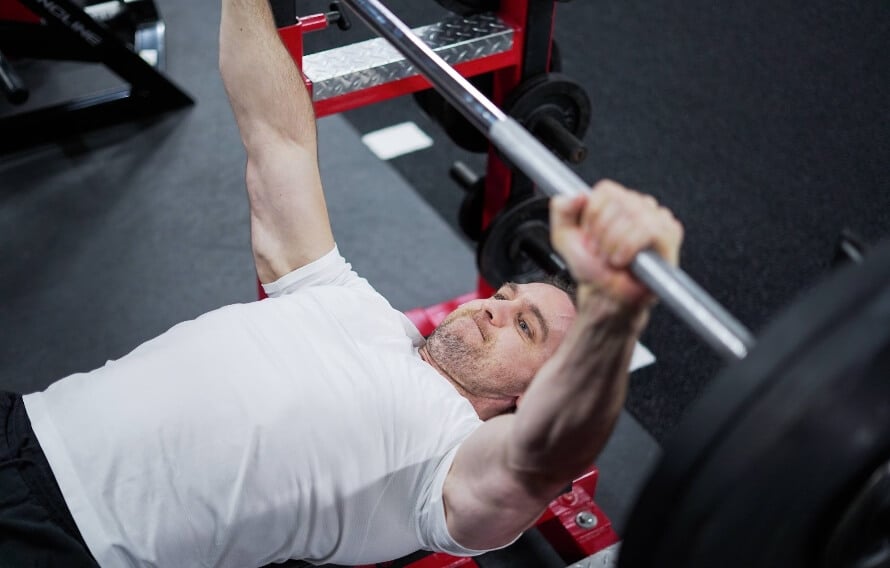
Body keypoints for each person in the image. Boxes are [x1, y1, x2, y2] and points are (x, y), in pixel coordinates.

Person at [0, 0, 683, 566]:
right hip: (25, 421)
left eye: (524, 327)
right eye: (505, 298)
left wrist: (616, 314)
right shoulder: (352, 300)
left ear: (533, 396)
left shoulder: (442, 471)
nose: (492, 308)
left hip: (65, 540)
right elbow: (276, 141)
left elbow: (539, 461)